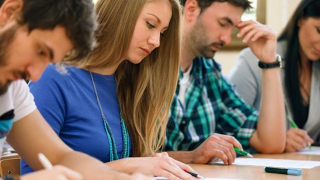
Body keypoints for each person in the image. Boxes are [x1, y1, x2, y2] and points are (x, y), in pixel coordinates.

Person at [22, 0, 197, 179]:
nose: (156, 42)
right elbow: (36, 173)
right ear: (120, 12)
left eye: (162, 33)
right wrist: (127, 166)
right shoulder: (55, 76)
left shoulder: (132, 83)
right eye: (150, 24)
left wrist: (151, 162)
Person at [0, 0, 151, 179]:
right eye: (40, 50)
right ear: (10, 13)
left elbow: (60, 156)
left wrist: (120, 178)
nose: (34, 76)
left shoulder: (12, 87)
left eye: (49, 61)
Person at [164, 0, 286, 165]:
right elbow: (129, 154)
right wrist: (191, 157)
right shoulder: (146, 67)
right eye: (223, 23)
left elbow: (271, 143)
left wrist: (269, 62)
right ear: (191, 10)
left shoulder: (210, 73)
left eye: (232, 28)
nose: (227, 39)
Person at [229, 0, 320, 152]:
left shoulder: (317, 67)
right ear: (300, 18)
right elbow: (225, 127)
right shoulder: (254, 59)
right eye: (319, 30)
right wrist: (276, 137)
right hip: (257, 170)